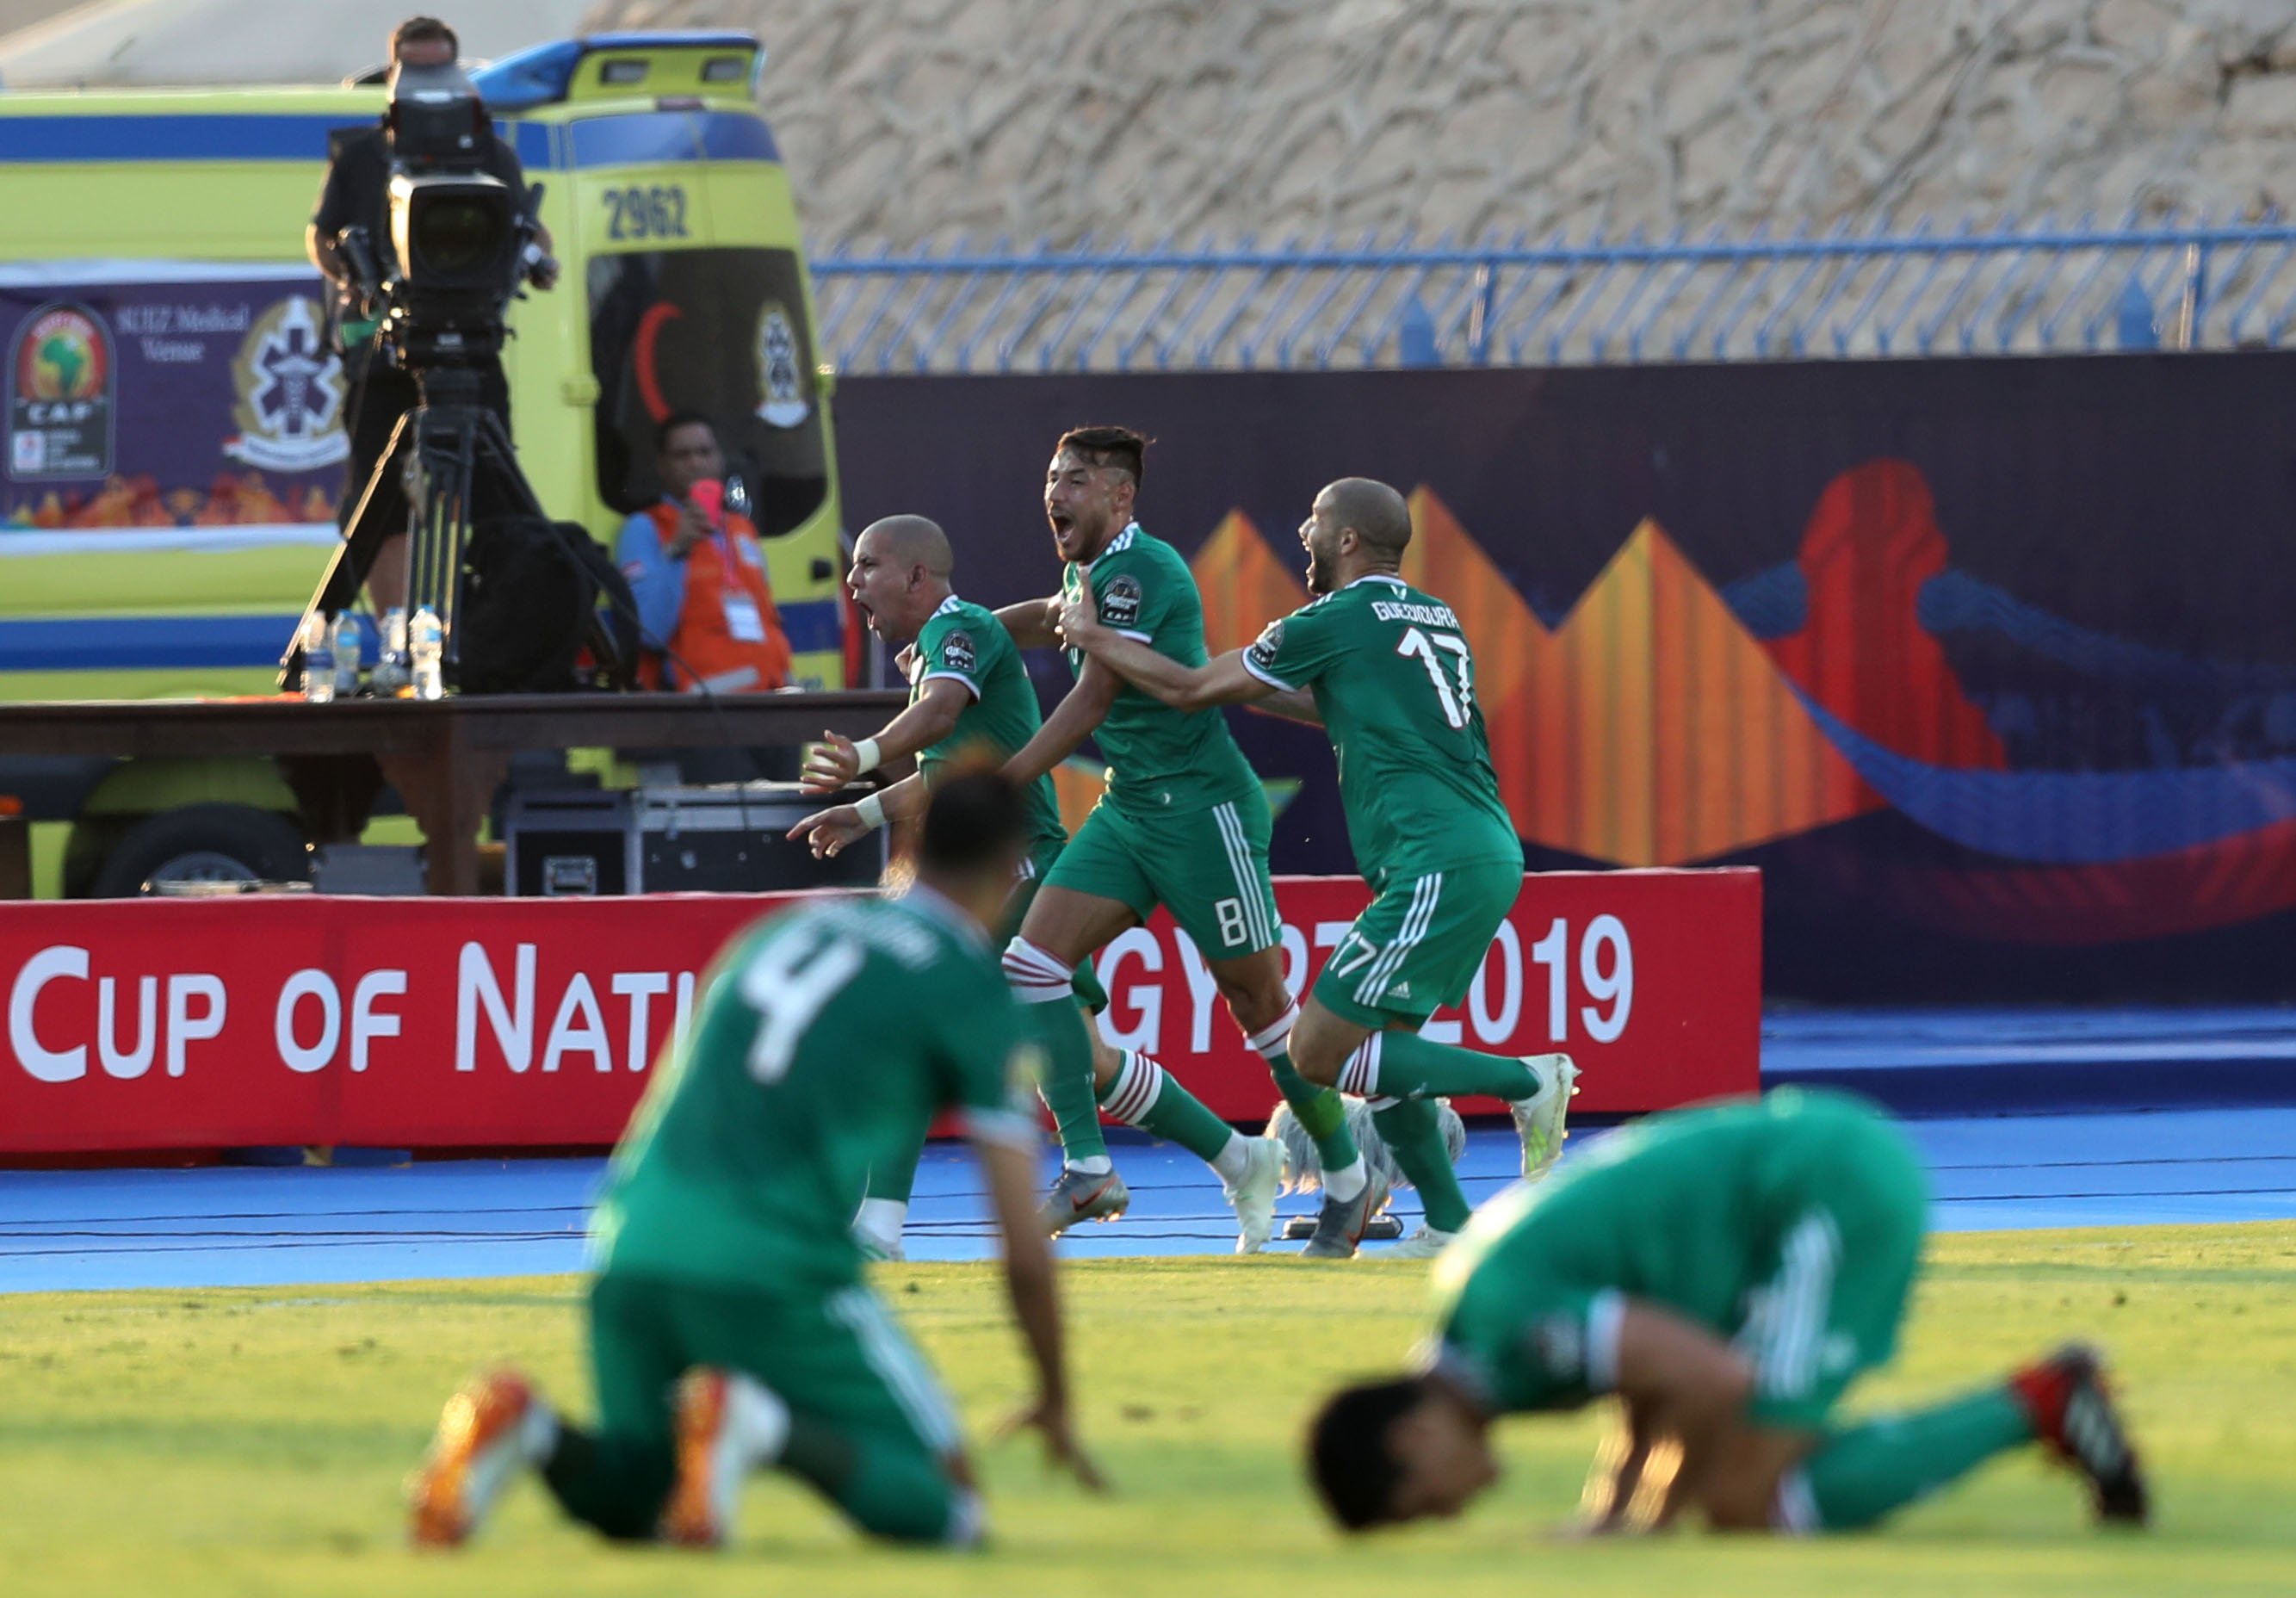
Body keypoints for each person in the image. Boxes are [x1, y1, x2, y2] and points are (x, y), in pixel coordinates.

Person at [406, 770, 1101, 1550]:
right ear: (1010, 865)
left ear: (907, 842)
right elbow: (1021, 1242)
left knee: (641, 1490)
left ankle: (525, 1424)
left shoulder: (783, 930)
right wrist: (1053, 1394)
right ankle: (757, 1424)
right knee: (951, 1512)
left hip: (630, 1242)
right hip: (772, 1268)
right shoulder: (967, 984)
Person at [1061, 476, 1573, 1258]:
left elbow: (1191, 687)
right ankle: (1446, 1225)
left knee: (1316, 1051)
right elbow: (1344, 702)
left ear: (1345, 541)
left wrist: (1093, 637)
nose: (1301, 529)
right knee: (1384, 1049)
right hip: (1477, 849)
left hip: (1433, 857)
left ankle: (1527, 1081)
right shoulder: (1433, 616)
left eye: (1315, 520)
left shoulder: (1336, 616)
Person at [1305, 1090, 2149, 1536]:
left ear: (1413, 1436)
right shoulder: (1479, 1334)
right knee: (1745, 1484)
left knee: (1746, 1502)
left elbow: (1706, 1375)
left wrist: (1650, 1519)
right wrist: (1614, 1511)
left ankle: (2043, 1399)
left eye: (1424, 1503)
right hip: (1808, 1177)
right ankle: (2041, 1403)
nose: (1450, 1513)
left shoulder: (1503, 1327)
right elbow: (1645, 1373)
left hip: (1821, 1191)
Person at [790, 516, 1130, 1250]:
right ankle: (1235, 1156)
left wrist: (863, 754)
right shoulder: (938, 648)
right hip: (999, 867)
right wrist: (864, 810)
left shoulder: (961, 628)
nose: (852, 582)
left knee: (902, 1018)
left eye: (866, 565)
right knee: (1085, 1052)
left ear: (916, 576)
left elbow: (940, 712)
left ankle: (876, 1221)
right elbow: (940, 775)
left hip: (1016, 862)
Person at [307, 15, 557, 612]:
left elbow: (531, 232)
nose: (429, 85)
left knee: (496, 504)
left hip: (472, 349)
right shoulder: (362, 156)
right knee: (379, 505)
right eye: (417, 70)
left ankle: (501, 633)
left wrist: (536, 258)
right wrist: (353, 276)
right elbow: (321, 236)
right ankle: (400, 641)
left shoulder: (491, 153)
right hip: (384, 351)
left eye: (439, 69)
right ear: (393, 74)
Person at [615, 411, 793, 693]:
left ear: (720, 459)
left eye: (704, 452)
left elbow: (767, 617)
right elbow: (647, 631)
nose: (695, 463)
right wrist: (677, 550)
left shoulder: (741, 528)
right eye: (682, 455)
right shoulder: (645, 528)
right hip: (701, 710)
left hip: (768, 697)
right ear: (662, 465)